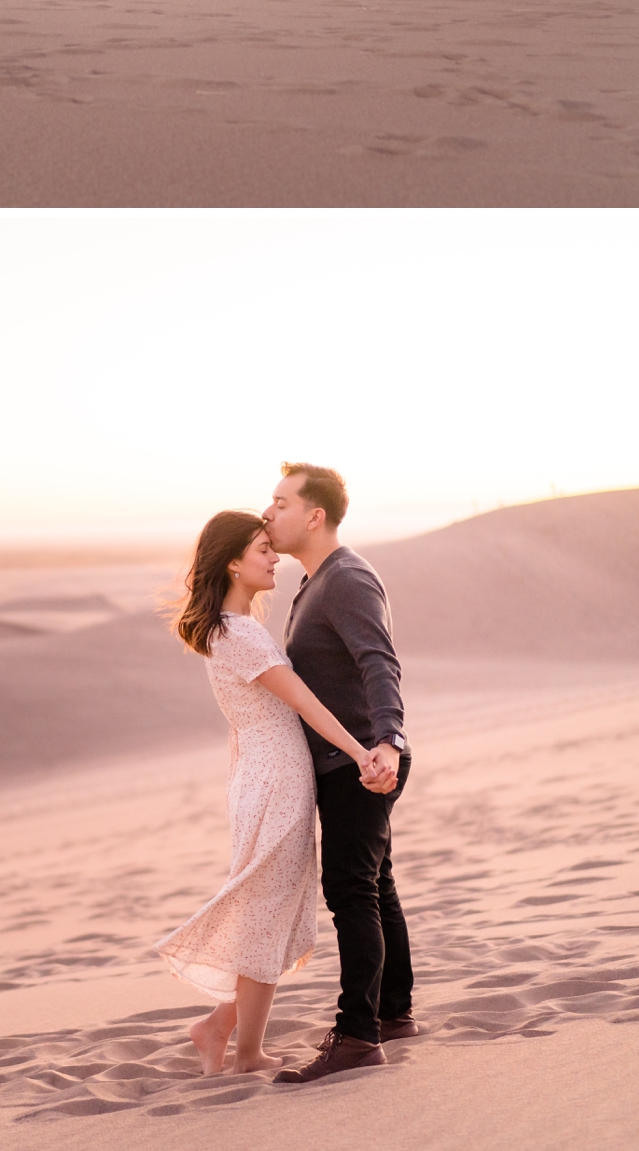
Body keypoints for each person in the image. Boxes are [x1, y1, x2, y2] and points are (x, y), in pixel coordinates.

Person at [156, 510, 382, 1077]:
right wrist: (361, 753)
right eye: (262, 548)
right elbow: (303, 701)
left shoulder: (230, 629)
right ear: (233, 562)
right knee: (264, 912)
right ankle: (245, 1052)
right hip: (275, 779)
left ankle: (221, 1029)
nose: (274, 557)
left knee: (268, 910)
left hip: (266, 775)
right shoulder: (238, 632)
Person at [262, 461, 417, 1084]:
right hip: (353, 758)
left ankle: (357, 1037)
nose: (268, 512)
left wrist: (388, 742)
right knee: (375, 885)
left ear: (314, 515)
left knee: (351, 891)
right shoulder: (317, 581)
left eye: (280, 502)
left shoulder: (345, 578)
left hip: (360, 761)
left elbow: (380, 661)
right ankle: (393, 1014)